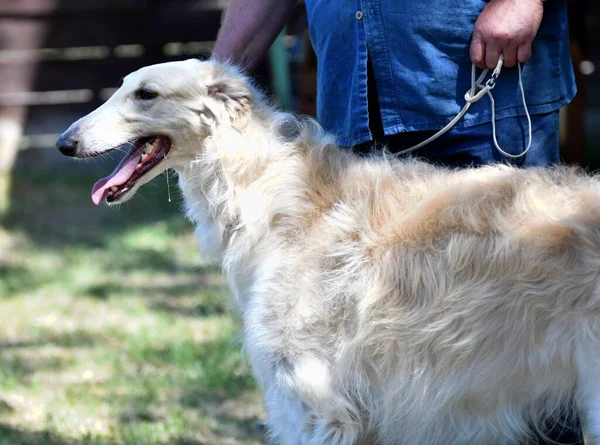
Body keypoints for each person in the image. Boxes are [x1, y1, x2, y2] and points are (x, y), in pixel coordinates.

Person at [212, 0, 581, 442]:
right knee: (381, 377)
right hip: (355, 111)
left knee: (530, 354)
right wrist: (210, 81)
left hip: (480, 87)